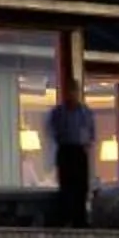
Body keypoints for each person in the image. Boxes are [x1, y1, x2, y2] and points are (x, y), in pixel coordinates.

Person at [48, 80, 98, 228]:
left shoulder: (85, 112)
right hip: (65, 150)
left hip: (80, 151)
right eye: (69, 91)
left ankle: (80, 219)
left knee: (81, 186)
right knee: (66, 186)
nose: (71, 94)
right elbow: (53, 130)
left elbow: (91, 132)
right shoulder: (58, 112)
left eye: (74, 91)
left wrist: (87, 145)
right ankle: (65, 218)